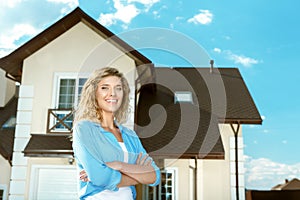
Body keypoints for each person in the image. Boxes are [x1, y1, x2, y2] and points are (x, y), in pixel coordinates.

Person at [72, 67, 161, 200]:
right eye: (105, 88)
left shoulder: (130, 135)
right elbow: (100, 178)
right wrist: (139, 175)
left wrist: (119, 166)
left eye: (118, 88)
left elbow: (155, 175)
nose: (112, 93)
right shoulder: (84, 129)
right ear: (93, 93)